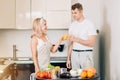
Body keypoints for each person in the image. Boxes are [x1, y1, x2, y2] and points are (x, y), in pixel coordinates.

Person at [66, 3, 97, 69]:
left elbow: (91, 43)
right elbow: (70, 44)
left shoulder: (90, 24)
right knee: (75, 77)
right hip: (74, 55)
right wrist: (68, 59)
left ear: (81, 12)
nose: (73, 15)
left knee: (87, 77)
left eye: (75, 13)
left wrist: (76, 39)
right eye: (72, 13)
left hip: (86, 54)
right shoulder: (72, 25)